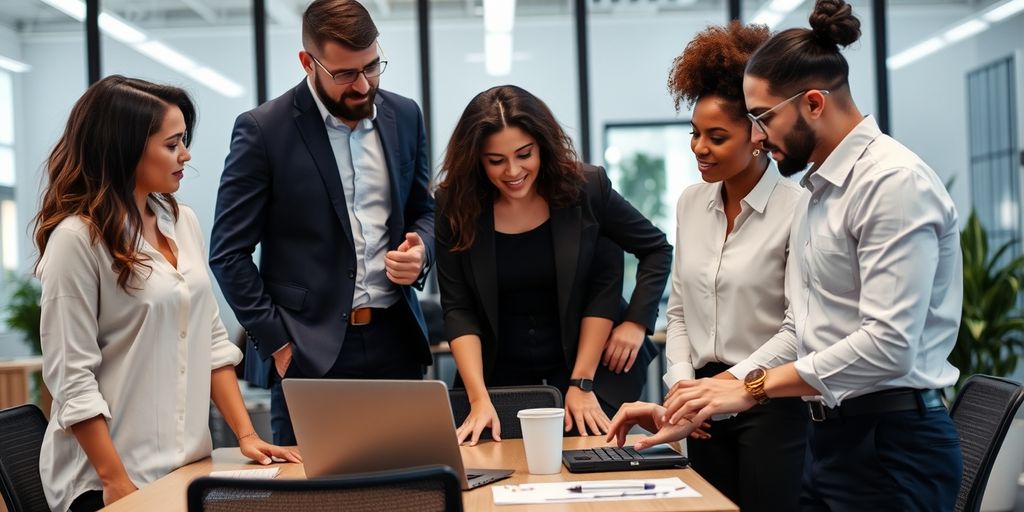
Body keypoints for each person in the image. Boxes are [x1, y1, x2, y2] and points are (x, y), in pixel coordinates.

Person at [609, 1, 963, 510]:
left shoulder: (892, 184)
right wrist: (702, 394)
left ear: (814, 103)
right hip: (830, 436)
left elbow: (889, 344)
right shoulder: (823, 192)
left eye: (762, 117)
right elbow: (806, 328)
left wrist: (748, 386)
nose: (758, 134)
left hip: (890, 441)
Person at [34, 75, 300, 512]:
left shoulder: (182, 221)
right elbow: (72, 380)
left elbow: (211, 342)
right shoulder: (76, 239)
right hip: (107, 481)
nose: (186, 155)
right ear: (126, 149)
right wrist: (116, 483)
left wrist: (247, 436)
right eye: (172, 144)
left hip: (186, 467)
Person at [210, 0, 435, 445]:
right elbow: (228, 253)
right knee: (313, 495)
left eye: (372, 67)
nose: (364, 84)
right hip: (308, 352)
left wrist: (421, 250)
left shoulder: (404, 116)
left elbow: (422, 211)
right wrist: (277, 343)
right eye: (346, 74)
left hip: (396, 342)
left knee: (411, 487)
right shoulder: (263, 130)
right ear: (307, 62)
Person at [436, 85, 672, 445]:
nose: (513, 171)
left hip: (591, 364)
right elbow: (458, 308)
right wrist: (478, 397)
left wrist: (637, 323)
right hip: (500, 371)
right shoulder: (454, 205)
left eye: (524, 154)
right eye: (495, 161)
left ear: (542, 145)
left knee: (590, 464)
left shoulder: (586, 188)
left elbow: (655, 249)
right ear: (476, 159)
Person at [662, 21, 807, 512]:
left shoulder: (798, 207)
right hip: (702, 406)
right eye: (695, 133)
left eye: (717, 136)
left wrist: (729, 386)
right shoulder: (689, 203)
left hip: (770, 401)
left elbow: (799, 327)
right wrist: (684, 385)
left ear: (758, 133)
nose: (699, 148)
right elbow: (679, 311)